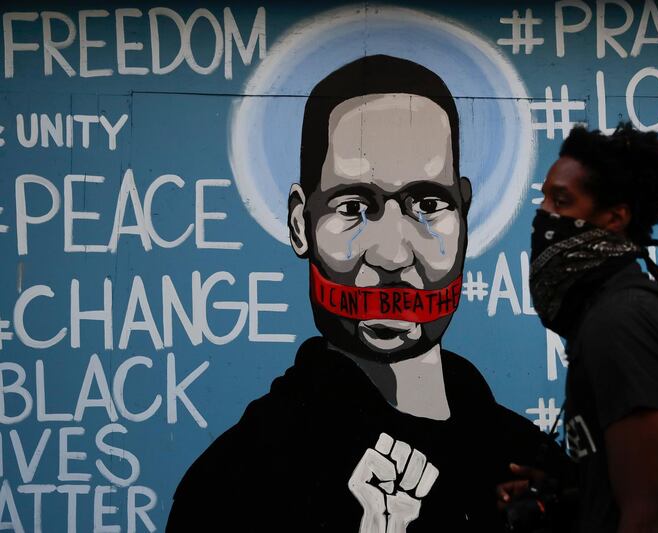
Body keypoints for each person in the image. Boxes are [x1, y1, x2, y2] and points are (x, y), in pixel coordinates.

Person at [167, 55, 567, 533]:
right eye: (354, 206)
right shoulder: (239, 480)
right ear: (301, 225)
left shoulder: (523, 463)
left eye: (429, 204)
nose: (393, 255)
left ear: (464, 214)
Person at [498, 123, 658, 533]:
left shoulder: (622, 321)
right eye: (544, 197)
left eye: (561, 201)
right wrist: (567, 488)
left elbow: (648, 515)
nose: (543, 215)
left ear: (615, 217)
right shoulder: (603, 312)